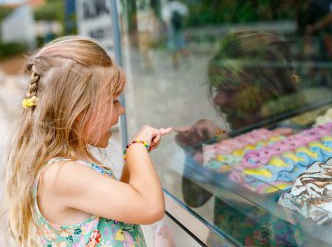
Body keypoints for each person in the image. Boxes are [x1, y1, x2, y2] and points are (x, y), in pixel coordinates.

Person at [4, 36, 171, 247]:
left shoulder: (67, 169)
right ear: (79, 111)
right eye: (113, 100)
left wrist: (132, 157)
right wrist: (137, 149)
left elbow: (123, 207)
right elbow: (150, 208)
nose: (121, 109)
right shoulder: (62, 175)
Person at [175, 30, 307, 246]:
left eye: (229, 90)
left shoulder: (295, 138)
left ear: (264, 92)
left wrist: (224, 145)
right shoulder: (240, 133)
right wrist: (198, 148)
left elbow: (256, 193)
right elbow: (195, 198)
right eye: (217, 89)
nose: (217, 100)